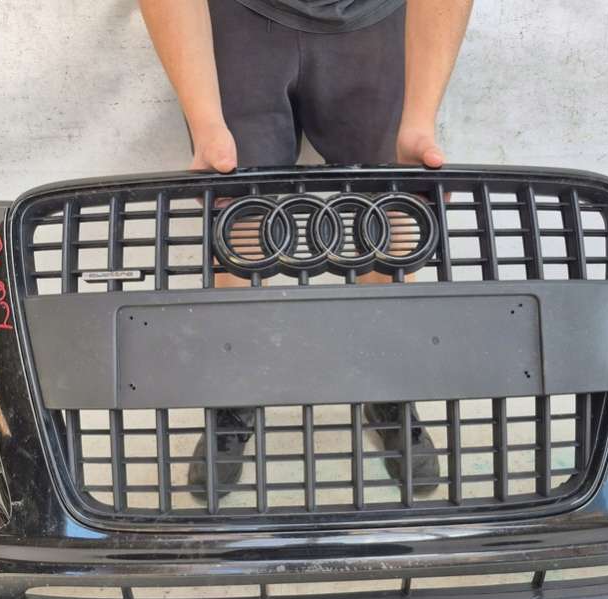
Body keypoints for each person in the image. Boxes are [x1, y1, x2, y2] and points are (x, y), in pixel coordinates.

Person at [139, 0, 474, 498]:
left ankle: (386, 385)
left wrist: (420, 118)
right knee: (240, 213)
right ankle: (235, 394)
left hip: (373, 18)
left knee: (392, 203)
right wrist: (206, 122)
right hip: (241, 16)